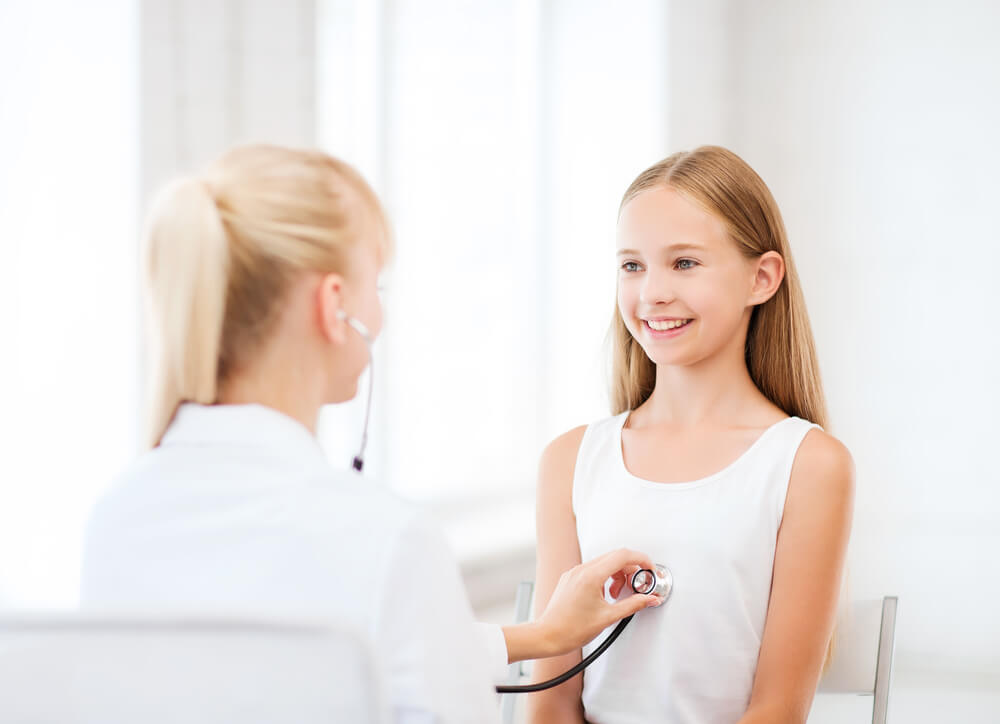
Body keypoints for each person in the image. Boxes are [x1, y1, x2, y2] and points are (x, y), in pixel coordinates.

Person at [79, 144, 663, 723]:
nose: (379, 318)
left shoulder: (117, 516)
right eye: (375, 287)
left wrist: (543, 635)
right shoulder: (386, 538)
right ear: (335, 306)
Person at [527, 146, 855, 724]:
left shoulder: (809, 466)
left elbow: (777, 710)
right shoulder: (570, 461)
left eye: (684, 263)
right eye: (632, 265)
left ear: (762, 277)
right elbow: (551, 703)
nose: (651, 292)